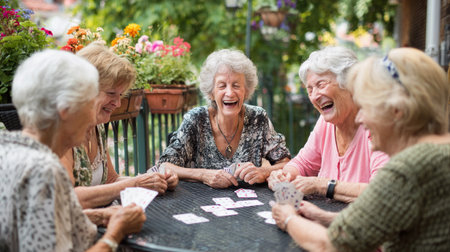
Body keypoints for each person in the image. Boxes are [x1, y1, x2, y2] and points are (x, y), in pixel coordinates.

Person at [272, 48, 450, 251]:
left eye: (367, 106)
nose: (360, 117)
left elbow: (332, 245)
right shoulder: (439, 151)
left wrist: (288, 219)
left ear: (397, 111)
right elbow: (381, 219)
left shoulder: (408, 168)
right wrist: (321, 216)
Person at [0, 49, 146, 251]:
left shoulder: (6, 148)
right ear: (66, 111)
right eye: (87, 104)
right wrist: (115, 233)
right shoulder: (44, 171)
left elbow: (42, 219)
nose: (91, 116)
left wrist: (100, 215)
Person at [60, 43, 178, 209]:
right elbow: (69, 197)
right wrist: (136, 183)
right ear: (85, 89)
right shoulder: (62, 132)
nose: (117, 103)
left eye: (120, 95)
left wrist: (154, 180)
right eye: (111, 94)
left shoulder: (96, 127)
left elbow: (111, 180)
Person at [268, 46, 389, 202]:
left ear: (349, 83)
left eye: (321, 85)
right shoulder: (326, 122)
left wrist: (323, 185)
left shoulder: (376, 122)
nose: (315, 96)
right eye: (310, 89)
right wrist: (285, 174)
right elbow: (304, 163)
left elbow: (381, 191)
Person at [158, 49, 291, 188]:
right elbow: (165, 166)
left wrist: (264, 172)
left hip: (250, 205)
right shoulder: (196, 119)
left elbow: (286, 163)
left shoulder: (258, 118)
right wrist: (203, 175)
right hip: (198, 204)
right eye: (222, 86)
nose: (229, 93)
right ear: (211, 92)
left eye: (236, 85)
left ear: (246, 90)